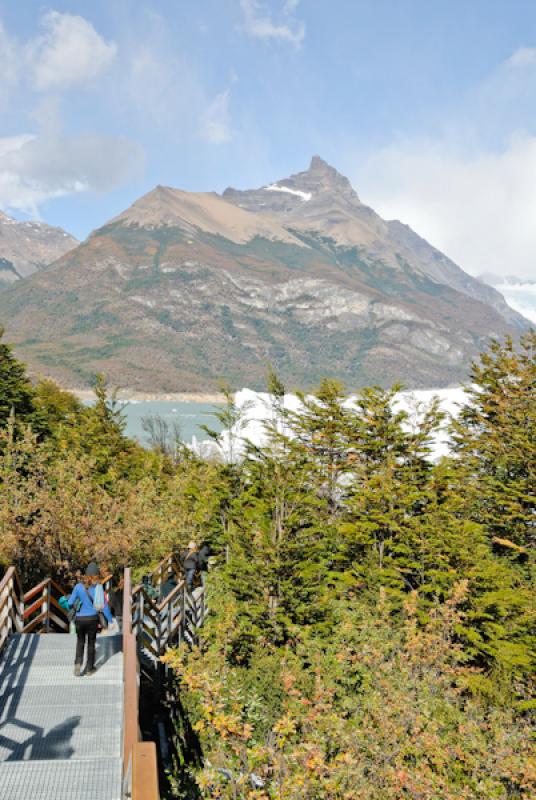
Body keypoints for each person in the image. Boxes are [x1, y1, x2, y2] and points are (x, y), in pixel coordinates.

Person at [67, 562, 113, 677]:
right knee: (91, 644)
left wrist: (76, 604)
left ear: (86, 574)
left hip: (79, 619)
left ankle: (78, 664)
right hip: (93, 619)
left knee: (80, 642)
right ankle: (89, 669)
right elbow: (104, 606)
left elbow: (70, 603)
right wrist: (110, 621)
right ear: (97, 575)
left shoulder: (78, 587)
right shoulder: (98, 587)